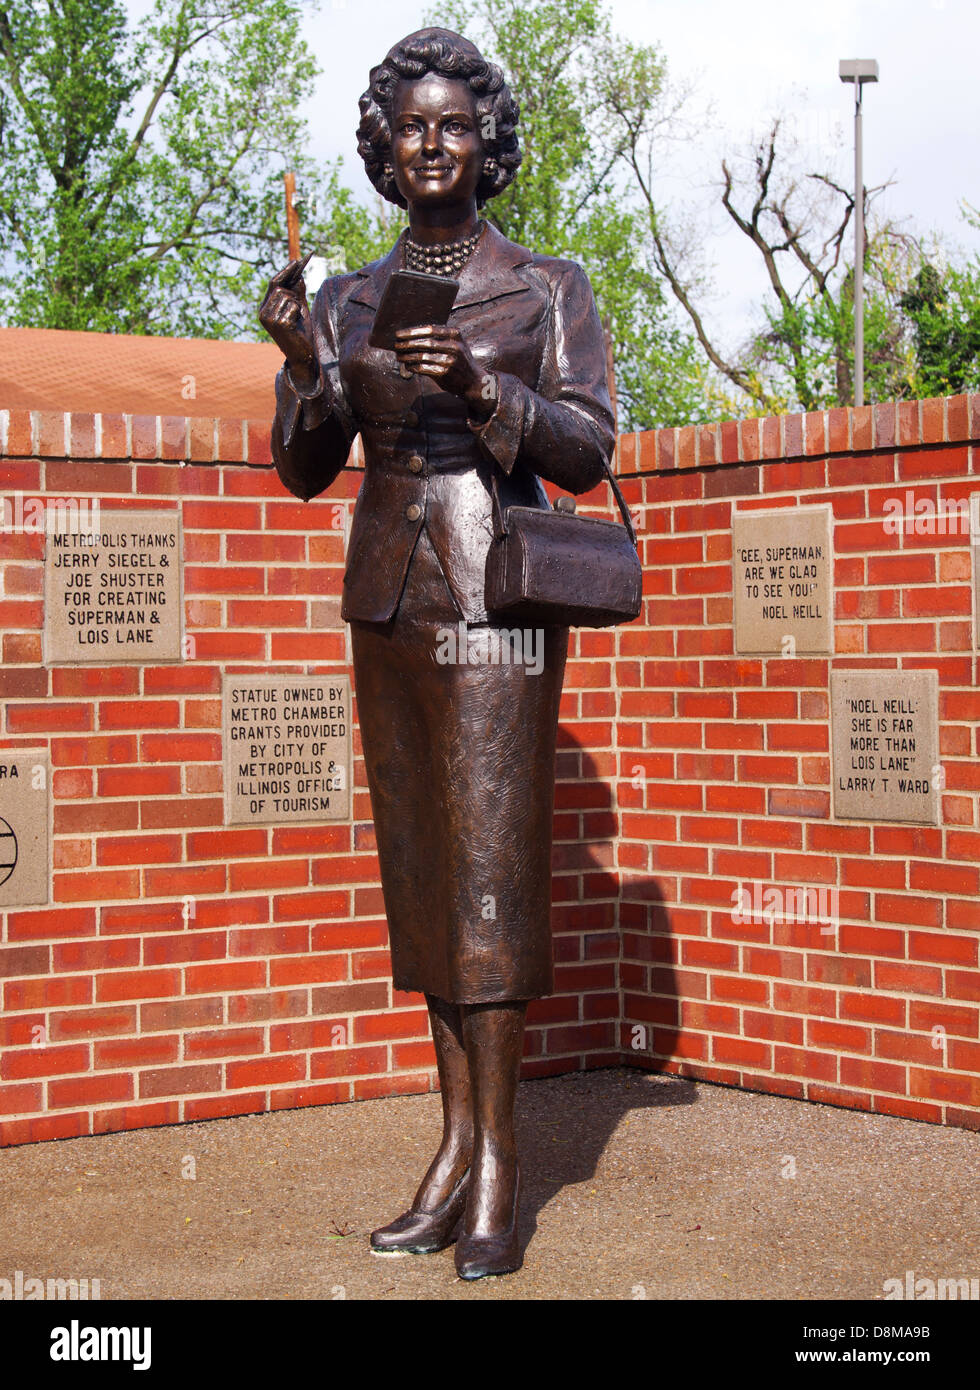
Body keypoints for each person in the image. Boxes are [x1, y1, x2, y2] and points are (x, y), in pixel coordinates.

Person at [259, 26, 614, 1280]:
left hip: (494, 592)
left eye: (453, 124)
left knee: (489, 877)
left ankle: (502, 1170)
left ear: (486, 144)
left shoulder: (544, 286)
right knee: (421, 874)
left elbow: (585, 446)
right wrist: (305, 361)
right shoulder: (354, 292)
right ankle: (452, 1144)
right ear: (381, 143)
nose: (429, 142)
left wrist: (479, 387)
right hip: (387, 597)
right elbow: (306, 468)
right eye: (407, 124)